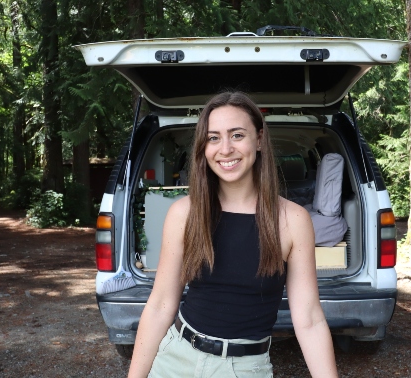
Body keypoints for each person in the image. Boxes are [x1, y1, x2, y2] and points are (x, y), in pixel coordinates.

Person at [128, 91, 338, 378]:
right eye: (213, 137)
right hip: (176, 360)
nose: (225, 149)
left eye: (237, 135)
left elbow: (310, 319)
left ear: (259, 139)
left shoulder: (292, 220)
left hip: (246, 368)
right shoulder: (183, 212)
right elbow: (161, 305)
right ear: (204, 147)